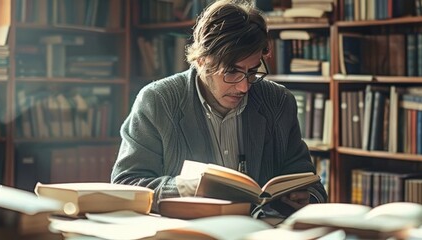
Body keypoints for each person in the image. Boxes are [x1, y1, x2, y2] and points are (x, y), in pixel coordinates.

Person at [111, 0, 327, 215]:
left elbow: (313, 186)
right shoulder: (157, 101)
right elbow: (125, 185)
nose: (244, 86)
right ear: (202, 61)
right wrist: (184, 187)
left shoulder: (279, 102)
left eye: (252, 71)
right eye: (232, 71)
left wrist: (305, 197)